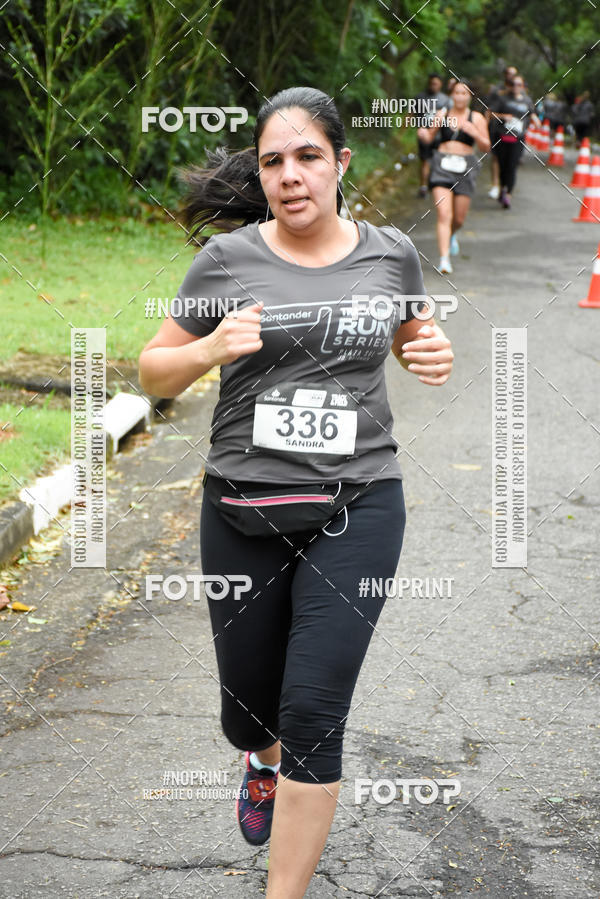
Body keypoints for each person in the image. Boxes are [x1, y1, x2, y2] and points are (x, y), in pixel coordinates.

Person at [138, 86, 454, 899]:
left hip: (360, 503)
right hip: (243, 507)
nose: (291, 175)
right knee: (252, 709)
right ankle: (258, 758)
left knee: (313, 710)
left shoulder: (390, 254)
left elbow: (414, 329)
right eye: (274, 160)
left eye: (309, 156)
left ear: (341, 163)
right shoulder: (227, 261)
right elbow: (152, 370)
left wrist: (428, 350)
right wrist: (209, 347)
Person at [418, 80, 490, 274]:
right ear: (451, 95)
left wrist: (475, 133)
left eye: (464, 93)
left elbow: (486, 147)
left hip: (466, 166)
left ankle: (452, 234)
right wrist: (423, 133)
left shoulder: (477, 118)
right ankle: (444, 259)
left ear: (469, 97)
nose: (460, 97)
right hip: (442, 165)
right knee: (444, 214)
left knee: (458, 218)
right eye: (457, 93)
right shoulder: (443, 114)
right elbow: (429, 138)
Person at [490, 75, 540, 209]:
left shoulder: (527, 100)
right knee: (503, 166)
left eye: (519, 84)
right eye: (513, 84)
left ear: (523, 86)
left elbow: (532, 113)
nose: (516, 87)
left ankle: (508, 195)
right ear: (509, 85)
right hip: (502, 136)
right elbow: (491, 113)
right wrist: (503, 116)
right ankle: (502, 188)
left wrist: (536, 121)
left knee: (512, 166)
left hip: (518, 138)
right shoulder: (503, 98)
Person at [486, 65, 518, 199]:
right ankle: (495, 184)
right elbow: (488, 110)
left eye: (513, 74)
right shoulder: (496, 90)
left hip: (514, 131)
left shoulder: (519, 90)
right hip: (496, 128)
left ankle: (506, 187)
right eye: (509, 73)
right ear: (505, 74)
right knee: (495, 157)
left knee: (510, 161)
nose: (511, 76)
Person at [415, 73, 449, 197]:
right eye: (431, 83)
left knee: (437, 161)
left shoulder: (445, 99)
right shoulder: (420, 98)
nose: (433, 85)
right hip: (424, 134)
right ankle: (423, 186)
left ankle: (434, 183)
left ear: (440, 84)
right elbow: (411, 114)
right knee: (425, 161)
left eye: (436, 83)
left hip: (439, 136)